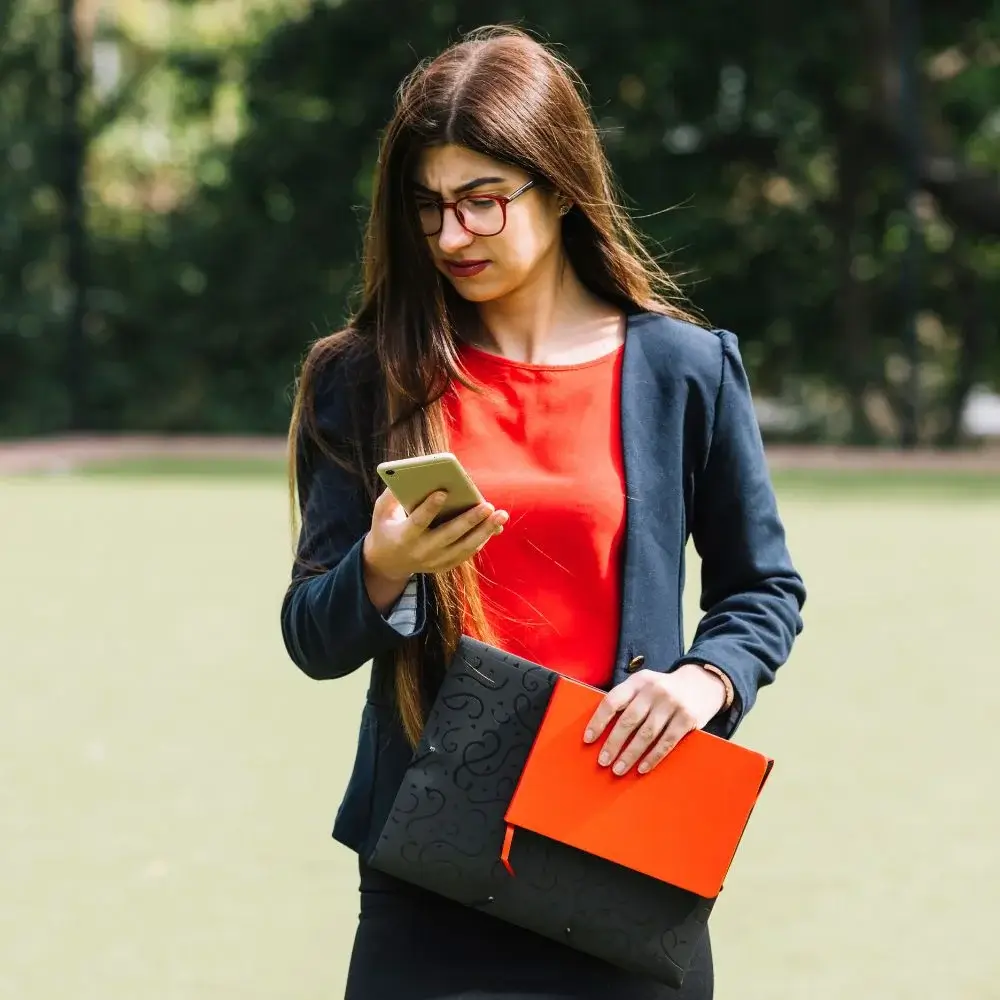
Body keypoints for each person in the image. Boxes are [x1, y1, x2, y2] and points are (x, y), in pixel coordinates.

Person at [279, 24, 806, 1000]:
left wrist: (703, 681)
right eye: (429, 207)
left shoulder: (686, 370)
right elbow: (311, 632)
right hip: (428, 861)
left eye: (483, 202)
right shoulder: (361, 378)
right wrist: (383, 564)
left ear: (559, 188)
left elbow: (761, 588)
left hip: (622, 843)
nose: (450, 235)